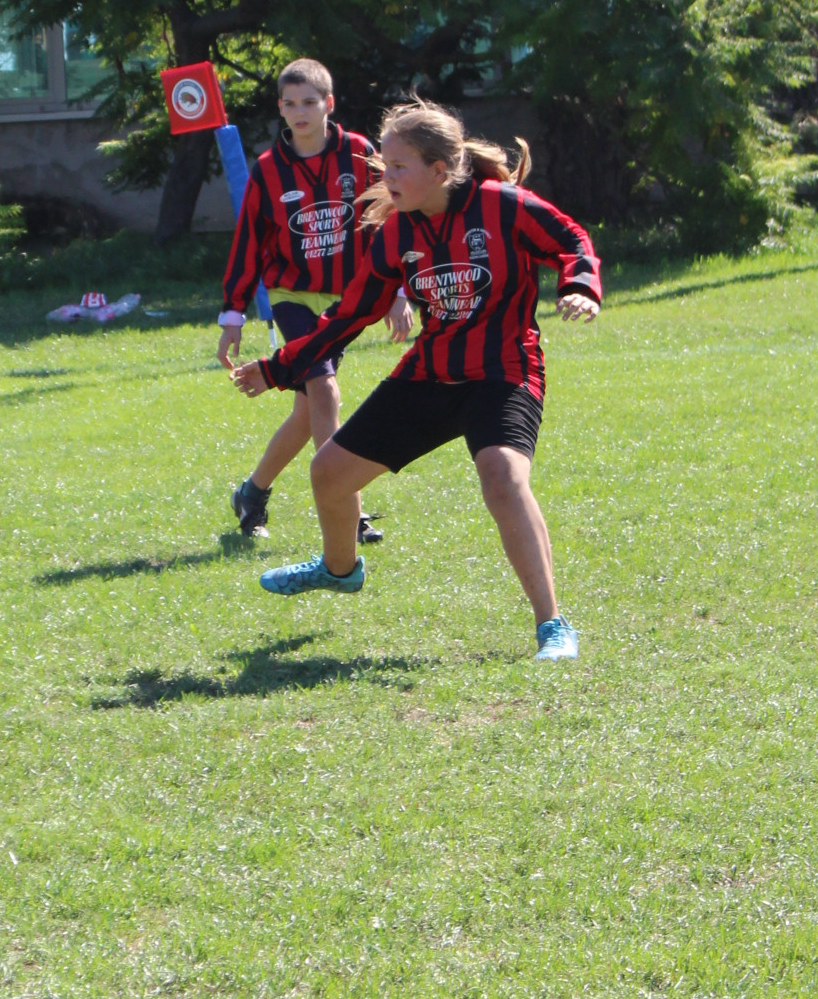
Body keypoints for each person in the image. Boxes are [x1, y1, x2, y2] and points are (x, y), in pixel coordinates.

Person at [231, 102, 600, 661]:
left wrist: (580, 286)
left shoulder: (503, 206)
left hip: (502, 372)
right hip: (430, 374)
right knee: (328, 473)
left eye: (399, 167)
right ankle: (339, 570)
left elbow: (571, 240)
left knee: (502, 477)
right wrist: (278, 368)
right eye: (384, 165)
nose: (386, 177)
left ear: (439, 169)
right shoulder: (395, 233)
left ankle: (552, 625)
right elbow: (350, 315)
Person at [217, 57, 410, 547]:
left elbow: (392, 220)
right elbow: (248, 243)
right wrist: (233, 314)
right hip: (292, 296)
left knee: (308, 411)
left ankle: (251, 493)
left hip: (345, 302)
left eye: (309, 102)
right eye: (290, 103)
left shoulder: (361, 154)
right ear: (280, 109)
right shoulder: (267, 170)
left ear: (329, 104)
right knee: (324, 392)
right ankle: (348, 509)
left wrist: (397, 290)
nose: (300, 112)